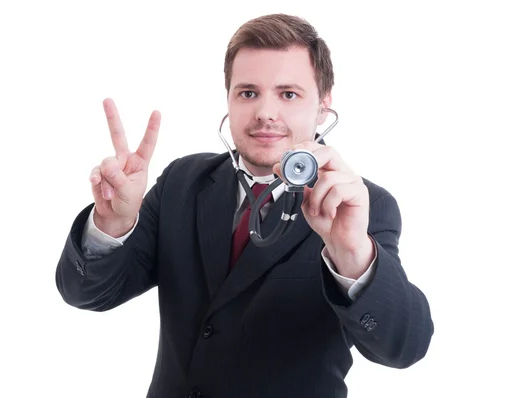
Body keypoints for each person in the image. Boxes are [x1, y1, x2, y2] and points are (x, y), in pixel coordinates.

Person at [55, 13, 434, 398]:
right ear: (229, 100)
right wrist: (111, 222)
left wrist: (352, 253)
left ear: (323, 105)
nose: (265, 113)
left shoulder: (361, 208)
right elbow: (86, 293)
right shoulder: (183, 182)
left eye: (289, 94)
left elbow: (404, 348)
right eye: (248, 92)